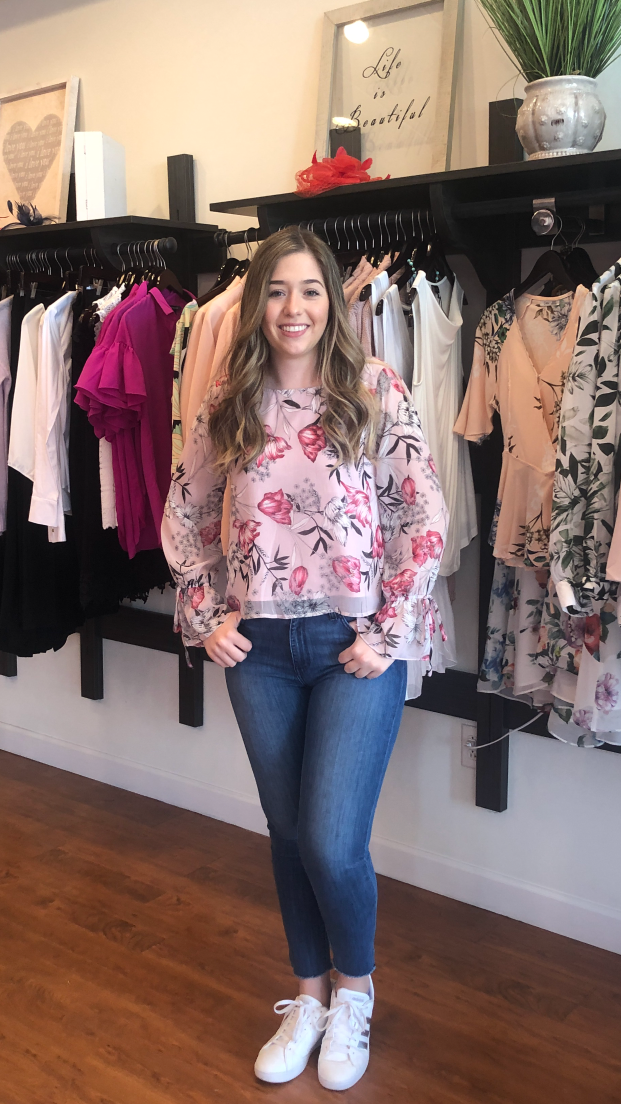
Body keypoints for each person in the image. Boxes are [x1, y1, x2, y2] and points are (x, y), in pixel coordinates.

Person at [162, 228, 447, 1091]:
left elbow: (422, 516)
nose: (294, 308)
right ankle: (309, 997)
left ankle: (355, 992)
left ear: (333, 300)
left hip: (350, 648)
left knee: (331, 838)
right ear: (257, 304)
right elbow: (185, 511)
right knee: (287, 833)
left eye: (311, 290)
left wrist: (386, 631)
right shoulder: (229, 399)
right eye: (278, 291)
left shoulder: (372, 388)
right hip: (260, 652)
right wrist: (205, 614)